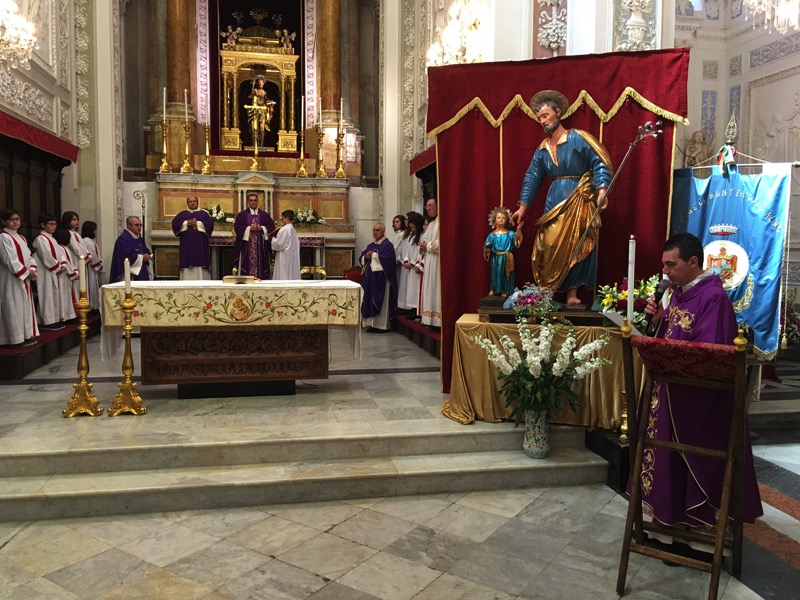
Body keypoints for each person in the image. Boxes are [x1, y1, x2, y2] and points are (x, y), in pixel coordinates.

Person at [638, 232, 762, 534]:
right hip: (671, 392)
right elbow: (673, 337)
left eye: (671, 264)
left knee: (692, 458)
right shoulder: (679, 293)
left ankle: (697, 523)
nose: (665, 271)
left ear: (693, 262)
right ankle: (669, 518)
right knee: (666, 459)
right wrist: (658, 321)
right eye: (664, 265)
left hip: (695, 400)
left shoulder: (713, 298)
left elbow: (712, 356)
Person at [510, 90, 613, 306]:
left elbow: (599, 161)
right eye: (539, 118)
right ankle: (547, 292)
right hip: (554, 200)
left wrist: (602, 190)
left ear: (558, 113)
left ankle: (571, 294)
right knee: (548, 244)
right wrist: (523, 208)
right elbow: (532, 177)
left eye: (545, 115)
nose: (542, 121)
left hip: (578, 198)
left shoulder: (577, 138)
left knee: (576, 244)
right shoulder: (542, 149)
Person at [0, 209, 39, 346]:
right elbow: (9, 259)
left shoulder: (21, 238)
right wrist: (26, 273)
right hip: (11, 279)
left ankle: (26, 335)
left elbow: (29, 256)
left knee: (24, 306)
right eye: (11, 220)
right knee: (13, 306)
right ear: (4, 222)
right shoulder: (4, 237)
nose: (15, 222)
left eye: (17, 219)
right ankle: (14, 338)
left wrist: (32, 269)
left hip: (24, 277)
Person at [32, 214, 70, 329]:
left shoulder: (53, 239)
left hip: (55, 271)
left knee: (54, 295)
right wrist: (57, 267)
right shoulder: (40, 239)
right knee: (47, 295)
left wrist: (63, 264)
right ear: (43, 225)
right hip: (46, 272)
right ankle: (46, 321)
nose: (54, 226)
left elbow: (60, 253)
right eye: (51, 224)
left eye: (55, 224)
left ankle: (54, 319)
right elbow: (46, 256)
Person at [360, 223, 398, 333]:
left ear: (383, 232)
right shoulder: (371, 245)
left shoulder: (388, 245)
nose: (375, 232)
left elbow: (389, 260)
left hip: (382, 279)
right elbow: (362, 256)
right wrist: (366, 256)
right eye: (374, 230)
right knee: (369, 300)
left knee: (382, 301)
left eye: (377, 230)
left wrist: (374, 255)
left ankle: (382, 326)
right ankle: (372, 324)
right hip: (370, 279)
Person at [172, 195, 214, 280]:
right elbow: (175, 224)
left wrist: (197, 224)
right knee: (187, 264)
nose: (192, 203)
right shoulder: (182, 214)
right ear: (187, 203)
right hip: (187, 246)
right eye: (190, 202)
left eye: (194, 201)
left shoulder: (204, 214)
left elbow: (210, 225)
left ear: (197, 203)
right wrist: (186, 223)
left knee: (200, 264)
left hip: (200, 246)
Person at [234, 193, 274, 280]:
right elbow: (237, 227)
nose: (253, 202)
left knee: (261, 267)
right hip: (247, 247)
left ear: (257, 201)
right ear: (248, 202)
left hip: (261, 248)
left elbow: (271, 227)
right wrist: (249, 228)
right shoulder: (242, 215)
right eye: (251, 200)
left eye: (255, 200)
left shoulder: (264, 215)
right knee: (247, 266)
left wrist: (262, 228)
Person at [483, 206, 521, 296]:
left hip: (506, 258)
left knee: (506, 274)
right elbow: (486, 246)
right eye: (499, 217)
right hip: (496, 258)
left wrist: (519, 231)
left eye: (503, 218)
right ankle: (494, 289)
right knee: (495, 274)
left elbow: (517, 243)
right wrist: (487, 249)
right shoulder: (491, 235)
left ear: (507, 220)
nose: (501, 219)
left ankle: (505, 290)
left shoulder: (510, 234)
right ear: (494, 220)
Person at [419, 198, 441, 330]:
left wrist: (426, 245)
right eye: (426, 206)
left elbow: (443, 242)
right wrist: (423, 245)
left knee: (436, 289)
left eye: (430, 206)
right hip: (429, 261)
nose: (428, 208)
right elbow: (424, 240)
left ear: (438, 205)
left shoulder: (442, 222)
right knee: (429, 289)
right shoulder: (432, 223)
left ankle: (438, 322)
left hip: (438, 262)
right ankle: (430, 320)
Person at [109, 216, 152, 283]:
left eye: (140, 225)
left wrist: (148, 256)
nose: (139, 227)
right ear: (129, 226)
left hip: (141, 271)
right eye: (136, 225)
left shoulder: (140, 239)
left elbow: (146, 251)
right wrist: (141, 257)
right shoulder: (123, 239)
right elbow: (125, 256)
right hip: (129, 274)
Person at [60, 211, 91, 300]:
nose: (77, 222)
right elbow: (76, 248)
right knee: (78, 284)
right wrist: (85, 256)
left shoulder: (76, 234)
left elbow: (83, 246)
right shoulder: (68, 233)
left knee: (83, 283)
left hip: (81, 261)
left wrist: (87, 254)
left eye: (77, 220)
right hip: (75, 260)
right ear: (67, 221)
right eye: (74, 220)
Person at [398, 212, 424, 318]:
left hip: (416, 267)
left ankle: (416, 311)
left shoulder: (421, 236)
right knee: (410, 290)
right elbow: (407, 251)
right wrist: (405, 260)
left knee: (416, 290)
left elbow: (420, 252)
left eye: (413, 227)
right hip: (410, 267)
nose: (412, 229)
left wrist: (413, 263)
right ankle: (412, 309)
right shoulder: (412, 237)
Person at [270, 210, 301, 280]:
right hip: (290, 255)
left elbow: (279, 244)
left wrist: (272, 239)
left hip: (284, 257)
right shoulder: (292, 229)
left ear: (287, 218)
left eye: (283, 218)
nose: (282, 220)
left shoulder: (285, 229)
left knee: (284, 275)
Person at [247, 75, 276, 147]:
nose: (261, 84)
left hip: (262, 112)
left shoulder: (264, 93)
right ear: (257, 83)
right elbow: (249, 96)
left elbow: (267, 101)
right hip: (255, 111)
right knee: (254, 128)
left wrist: (270, 103)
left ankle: (261, 145)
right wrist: (254, 91)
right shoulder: (255, 91)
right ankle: (254, 144)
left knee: (262, 129)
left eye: (262, 83)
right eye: (259, 83)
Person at [81, 220, 104, 309]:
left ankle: (94, 305)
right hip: (90, 268)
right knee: (91, 286)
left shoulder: (91, 241)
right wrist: (98, 265)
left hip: (93, 268)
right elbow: (92, 254)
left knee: (94, 286)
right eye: (94, 230)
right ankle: (92, 306)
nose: (95, 232)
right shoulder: (87, 241)